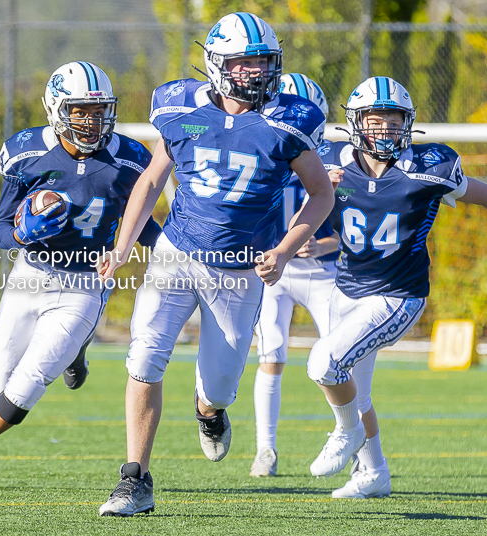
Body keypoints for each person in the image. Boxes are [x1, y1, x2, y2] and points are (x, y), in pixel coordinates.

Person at [96, 12, 335, 516]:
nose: (255, 73)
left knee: (221, 387)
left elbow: (321, 195)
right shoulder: (181, 107)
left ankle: (209, 412)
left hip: (240, 270)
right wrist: (123, 245)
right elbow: (151, 181)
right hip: (176, 254)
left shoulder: (289, 119)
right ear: (216, 64)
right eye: (243, 63)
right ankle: (134, 479)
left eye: (263, 62)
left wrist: (286, 249)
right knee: (145, 356)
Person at [0, 61, 161, 488]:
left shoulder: (130, 159)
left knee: (24, 388)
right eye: (80, 111)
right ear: (57, 108)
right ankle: (76, 352)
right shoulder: (26, 152)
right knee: (0, 378)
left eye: (99, 111)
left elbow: (144, 224)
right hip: (30, 275)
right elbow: (0, 229)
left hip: (84, 286)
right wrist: (23, 234)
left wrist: (177, 251)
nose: (91, 121)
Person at [307, 76, 487, 498]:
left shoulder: (429, 166)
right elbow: (287, 193)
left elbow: (477, 192)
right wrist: (317, 184)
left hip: (398, 295)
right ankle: (373, 473)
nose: (385, 127)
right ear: (355, 122)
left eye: (393, 118)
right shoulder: (330, 160)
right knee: (357, 392)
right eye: (375, 118)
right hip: (346, 288)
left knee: (323, 365)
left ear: (408, 123)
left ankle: (347, 433)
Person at [250, 73, 341, 477]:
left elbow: (366, 223)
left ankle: (350, 435)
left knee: (341, 359)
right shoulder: (261, 144)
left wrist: (327, 244)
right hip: (275, 270)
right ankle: (265, 449)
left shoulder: (340, 153)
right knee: (270, 354)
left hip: (324, 271)